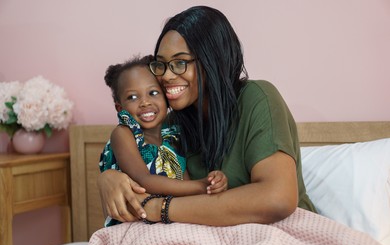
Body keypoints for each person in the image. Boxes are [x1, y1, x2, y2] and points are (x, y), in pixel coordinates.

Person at [97, 5, 317, 226]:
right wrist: (109, 178)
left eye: (180, 63)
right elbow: (142, 169)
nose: (167, 76)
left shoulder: (257, 99)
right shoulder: (170, 125)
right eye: (161, 65)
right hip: (211, 241)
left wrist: (158, 208)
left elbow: (277, 198)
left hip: (283, 232)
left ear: (213, 60)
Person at [101, 54, 228, 225]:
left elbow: (185, 187)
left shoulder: (173, 138)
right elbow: (144, 180)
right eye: (132, 97)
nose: (145, 102)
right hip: (135, 222)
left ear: (166, 99)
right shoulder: (123, 134)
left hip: (169, 219)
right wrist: (201, 185)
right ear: (119, 107)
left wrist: (213, 183)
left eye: (153, 93)